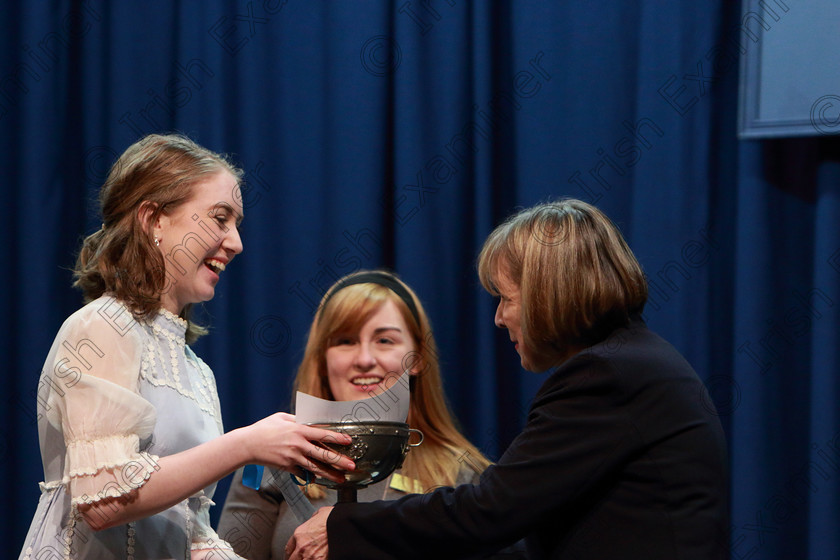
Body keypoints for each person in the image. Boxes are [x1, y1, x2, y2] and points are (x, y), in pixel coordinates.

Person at [286, 199, 730, 560]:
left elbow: (491, 511)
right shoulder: (635, 361)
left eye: (505, 299)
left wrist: (343, 525)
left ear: (546, 295)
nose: (499, 319)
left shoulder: (608, 375)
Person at [18, 134, 355, 560]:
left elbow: (186, 530)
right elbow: (102, 500)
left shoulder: (195, 369)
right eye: (219, 218)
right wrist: (246, 445)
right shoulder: (102, 326)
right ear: (154, 219)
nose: (236, 242)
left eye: (237, 223)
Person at [218, 270, 502, 559]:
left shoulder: (465, 475)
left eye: (385, 341)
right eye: (345, 341)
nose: (365, 360)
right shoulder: (271, 463)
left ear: (417, 359)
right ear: (322, 360)